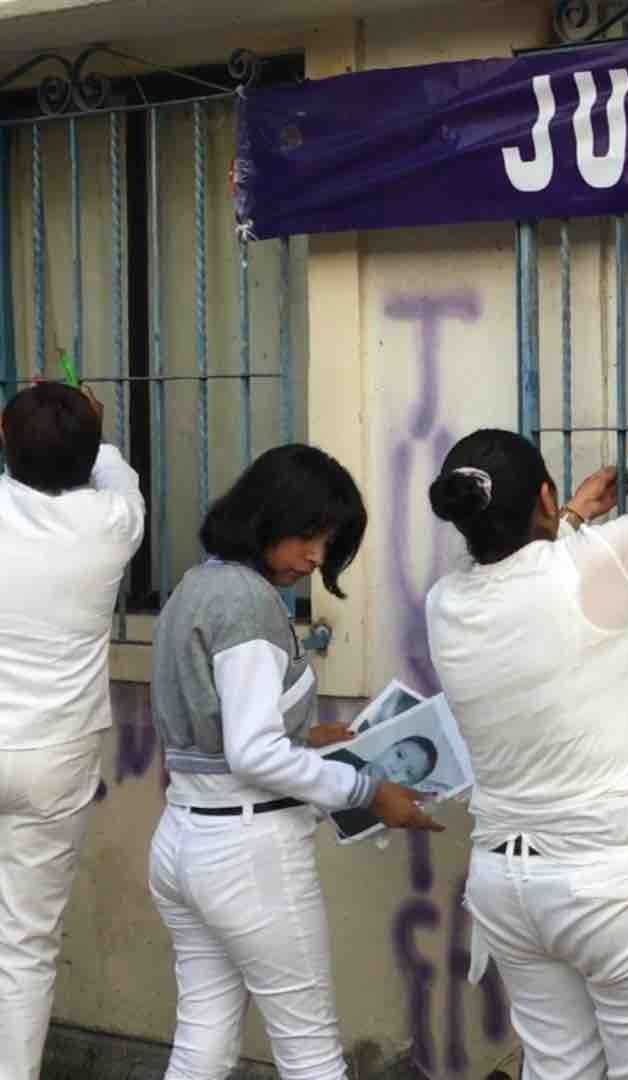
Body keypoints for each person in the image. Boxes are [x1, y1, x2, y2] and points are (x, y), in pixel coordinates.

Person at [425, 431, 628, 1079]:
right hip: (622, 888)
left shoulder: (444, 604)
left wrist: (570, 518)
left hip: (511, 888)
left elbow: (526, 574)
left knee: (558, 1070)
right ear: (543, 494)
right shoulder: (591, 566)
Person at [147, 444, 443, 1080]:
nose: (314, 557)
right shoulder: (249, 602)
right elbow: (252, 752)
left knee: (202, 1040)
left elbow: (223, 732)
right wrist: (367, 789)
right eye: (309, 536)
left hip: (182, 840)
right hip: (248, 851)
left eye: (326, 541)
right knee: (309, 1053)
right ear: (267, 516)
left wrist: (308, 736)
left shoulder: (196, 585)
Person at [0, 382, 144, 1080]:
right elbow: (117, 467)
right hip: (56, 756)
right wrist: (91, 421)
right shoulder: (113, 521)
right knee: (26, 945)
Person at [324, 734, 442, 839]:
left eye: (408, 772)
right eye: (399, 755)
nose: (395, 769)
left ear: (408, 785)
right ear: (389, 748)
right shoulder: (334, 754)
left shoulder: (373, 825)